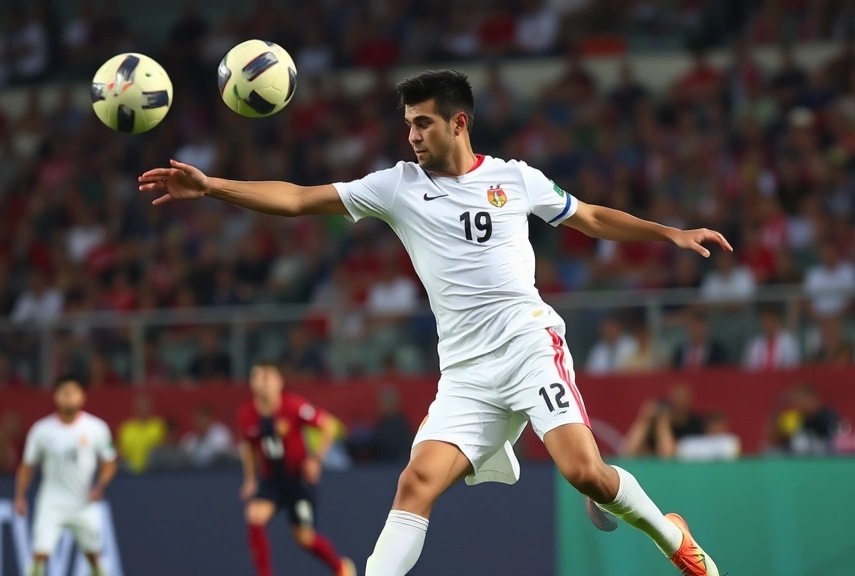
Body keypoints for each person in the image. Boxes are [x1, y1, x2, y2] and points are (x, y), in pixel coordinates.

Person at [140, 69, 731, 576]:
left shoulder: (515, 178)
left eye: (423, 123)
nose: (413, 135)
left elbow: (591, 217)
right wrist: (212, 187)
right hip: (465, 371)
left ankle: (673, 538)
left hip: (528, 343)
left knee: (586, 475)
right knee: (415, 483)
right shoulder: (397, 187)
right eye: (408, 124)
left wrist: (669, 233)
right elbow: (297, 199)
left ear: (458, 123)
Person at [237, 362, 356, 576]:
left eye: (268, 377)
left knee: (304, 538)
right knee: (254, 515)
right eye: (257, 377)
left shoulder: (293, 406)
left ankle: (340, 567)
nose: (263, 383)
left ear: (279, 382)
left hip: (297, 480)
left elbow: (328, 425)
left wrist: (316, 459)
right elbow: (248, 447)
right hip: (272, 480)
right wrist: (250, 479)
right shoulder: (248, 414)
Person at [14, 374, 118, 576]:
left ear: (82, 396)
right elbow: (27, 467)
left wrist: (99, 486)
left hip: (84, 502)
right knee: (40, 554)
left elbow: (109, 463)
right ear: (56, 396)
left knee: (94, 555)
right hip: (51, 502)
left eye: (73, 392)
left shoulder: (97, 428)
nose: (69, 396)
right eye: (64, 392)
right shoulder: (41, 430)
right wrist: (20, 496)